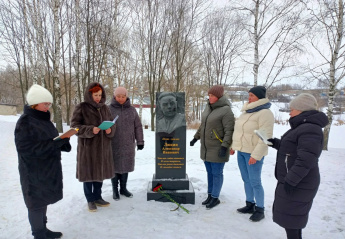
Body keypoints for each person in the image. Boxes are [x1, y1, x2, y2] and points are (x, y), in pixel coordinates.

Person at [268, 93, 328, 239]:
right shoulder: (303, 126)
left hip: (299, 182)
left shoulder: (310, 128)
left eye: (293, 109)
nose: (290, 112)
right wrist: (276, 143)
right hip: (296, 180)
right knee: (292, 220)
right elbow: (294, 148)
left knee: (292, 221)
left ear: (302, 110)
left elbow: (307, 158)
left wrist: (291, 180)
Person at [14, 84, 71, 239]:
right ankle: (38, 234)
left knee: (43, 200)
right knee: (36, 204)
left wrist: (64, 141)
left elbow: (51, 140)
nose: (48, 106)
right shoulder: (25, 122)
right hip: (34, 172)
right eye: (45, 103)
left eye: (49, 104)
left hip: (48, 169)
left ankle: (43, 229)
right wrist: (55, 144)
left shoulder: (44, 119)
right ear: (34, 103)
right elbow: (26, 149)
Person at [230, 85, 274, 222]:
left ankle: (260, 209)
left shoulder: (265, 113)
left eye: (252, 96)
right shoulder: (246, 112)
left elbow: (265, 137)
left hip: (253, 153)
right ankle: (250, 204)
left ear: (259, 97)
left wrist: (256, 155)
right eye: (248, 95)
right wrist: (233, 146)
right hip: (241, 151)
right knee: (246, 179)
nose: (249, 98)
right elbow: (238, 132)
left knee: (255, 181)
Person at [71, 82, 115, 212]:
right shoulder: (81, 107)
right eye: (95, 95)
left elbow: (113, 124)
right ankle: (90, 200)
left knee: (99, 175)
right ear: (89, 94)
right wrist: (91, 130)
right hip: (88, 149)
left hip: (103, 149)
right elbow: (74, 127)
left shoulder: (105, 108)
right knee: (88, 176)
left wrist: (110, 130)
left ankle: (98, 197)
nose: (98, 97)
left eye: (100, 95)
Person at [190, 85, 235, 209]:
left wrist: (225, 146)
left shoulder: (226, 110)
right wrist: (195, 138)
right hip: (206, 148)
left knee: (217, 173)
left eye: (212, 95)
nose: (209, 97)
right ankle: (210, 195)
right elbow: (203, 126)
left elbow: (229, 131)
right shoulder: (208, 108)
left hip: (218, 147)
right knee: (210, 173)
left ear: (219, 97)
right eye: (209, 95)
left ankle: (215, 197)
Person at [109, 86, 144, 200]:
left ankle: (123, 189)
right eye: (118, 96)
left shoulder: (132, 110)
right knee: (114, 167)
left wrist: (140, 141)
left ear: (126, 97)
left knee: (125, 167)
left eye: (123, 96)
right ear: (115, 96)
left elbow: (138, 126)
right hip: (113, 144)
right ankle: (115, 190)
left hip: (128, 144)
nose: (121, 99)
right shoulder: (109, 109)